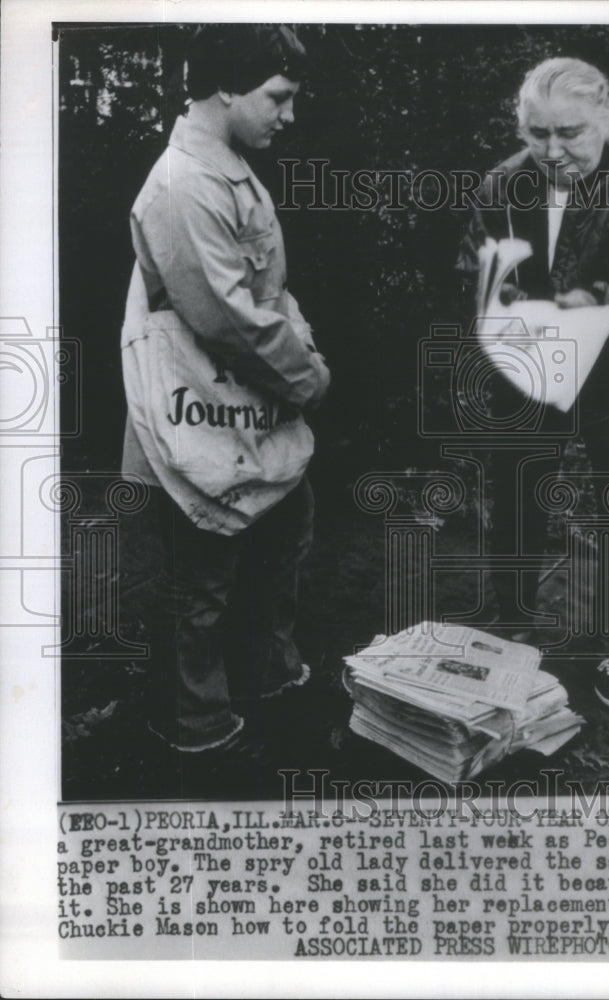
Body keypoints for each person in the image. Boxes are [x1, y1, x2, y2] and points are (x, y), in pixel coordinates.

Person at [121, 25, 330, 756]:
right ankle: (192, 720)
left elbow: (269, 288)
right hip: (197, 405)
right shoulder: (183, 185)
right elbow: (227, 317)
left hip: (251, 398)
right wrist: (307, 375)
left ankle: (265, 671)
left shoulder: (227, 166)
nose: (288, 114)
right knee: (198, 573)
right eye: (277, 97)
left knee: (282, 531)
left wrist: (298, 347)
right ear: (224, 89)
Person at [457, 58, 609, 709]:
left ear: (605, 121)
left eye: (569, 133)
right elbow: (469, 263)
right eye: (536, 134)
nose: (552, 152)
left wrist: (585, 302)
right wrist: (492, 297)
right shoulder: (501, 185)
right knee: (517, 495)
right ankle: (515, 619)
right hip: (532, 370)